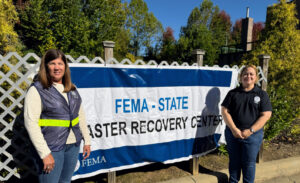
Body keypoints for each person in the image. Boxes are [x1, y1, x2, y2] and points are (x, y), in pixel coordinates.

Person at [24, 49, 91, 183]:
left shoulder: (72, 89)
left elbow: (80, 116)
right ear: (45, 66)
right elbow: (30, 123)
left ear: (65, 67)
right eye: (52, 63)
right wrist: (45, 153)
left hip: (73, 145)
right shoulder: (37, 89)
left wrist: (87, 141)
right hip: (51, 147)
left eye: (60, 63)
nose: (57, 67)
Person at [221, 65, 272, 183]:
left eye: (251, 74)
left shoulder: (262, 94)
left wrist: (251, 130)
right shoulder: (233, 93)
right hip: (233, 134)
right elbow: (224, 111)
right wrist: (234, 129)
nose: (248, 76)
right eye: (245, 74)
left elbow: (266, 115)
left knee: (249, 163)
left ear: (256, 78)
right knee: (234, 161)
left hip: (253, 136)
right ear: (241, 77)